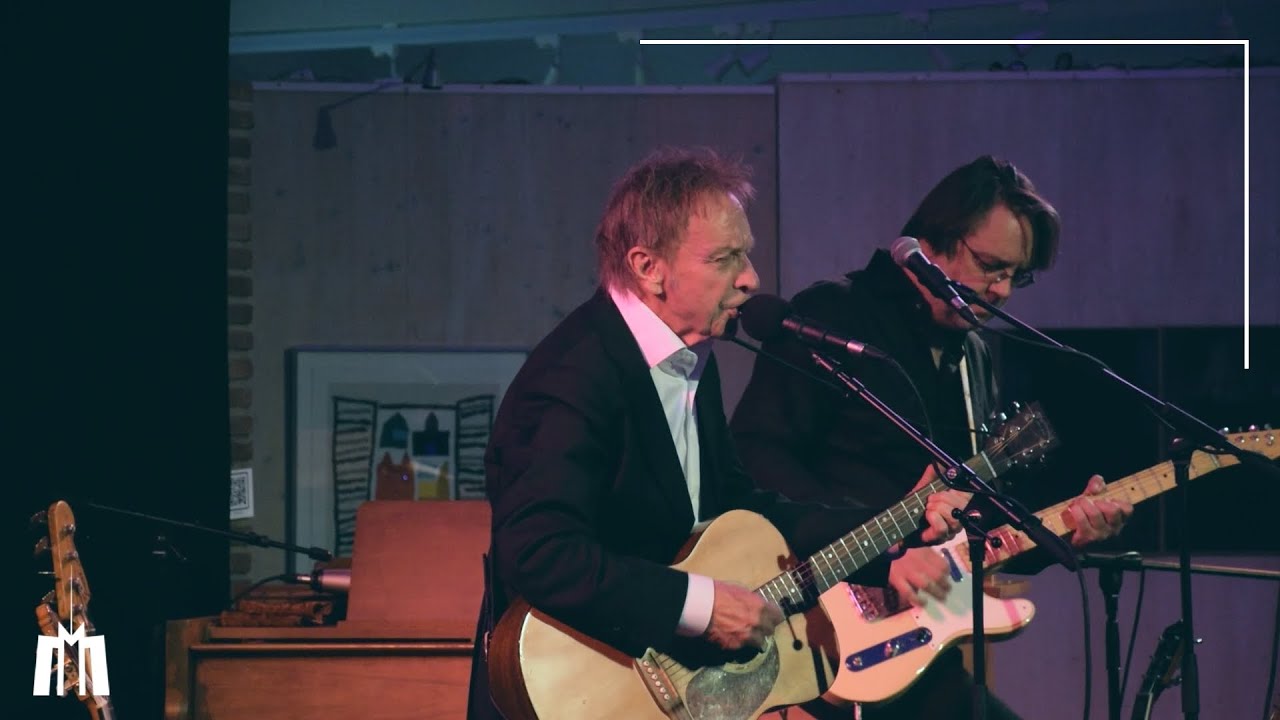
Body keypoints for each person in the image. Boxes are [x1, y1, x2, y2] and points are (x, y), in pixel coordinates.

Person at [465, 147, 971, 720]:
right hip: (581, 690)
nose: (751, 278)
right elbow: (538, 552)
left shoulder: (687, 364)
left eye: (746, 255)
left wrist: (891, 529)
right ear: (647, 266)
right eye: (726, 258)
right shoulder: (573, 376)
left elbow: (742, 506)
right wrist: (702, 606)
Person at [729, 155, 1134, 720]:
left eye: (1018, 276)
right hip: (815, 626)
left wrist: (1062, 531)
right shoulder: (836, 318)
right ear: (933, 243)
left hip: (911, 634)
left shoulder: (972, 357)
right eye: (992, 266)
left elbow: (972, 523)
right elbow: (755, 456)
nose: (1003, 291)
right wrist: (873, 545)